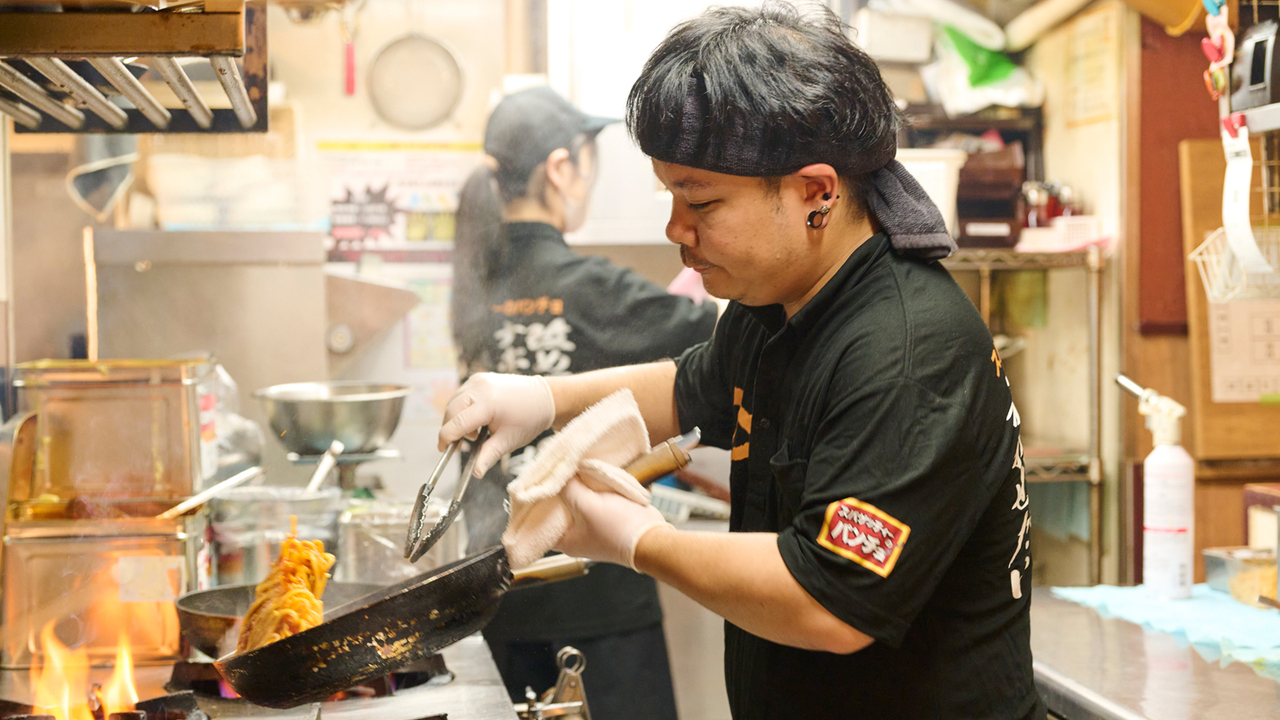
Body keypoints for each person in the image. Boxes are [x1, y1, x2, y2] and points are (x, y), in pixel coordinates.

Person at [440, 5, 1045, 720]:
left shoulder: (908, 352)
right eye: (670, 194)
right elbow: (692, 388)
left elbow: (828, 602)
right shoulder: (778, 299)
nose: (676, 229)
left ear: (817, 192)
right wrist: (541, 398)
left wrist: (637, 540)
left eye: (702, 201)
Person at [448, 85, 718, 720]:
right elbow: (722, 355)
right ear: (560, 168)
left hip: (497, 593)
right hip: (596, 595)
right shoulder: (593, 289)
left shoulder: (472, 288)